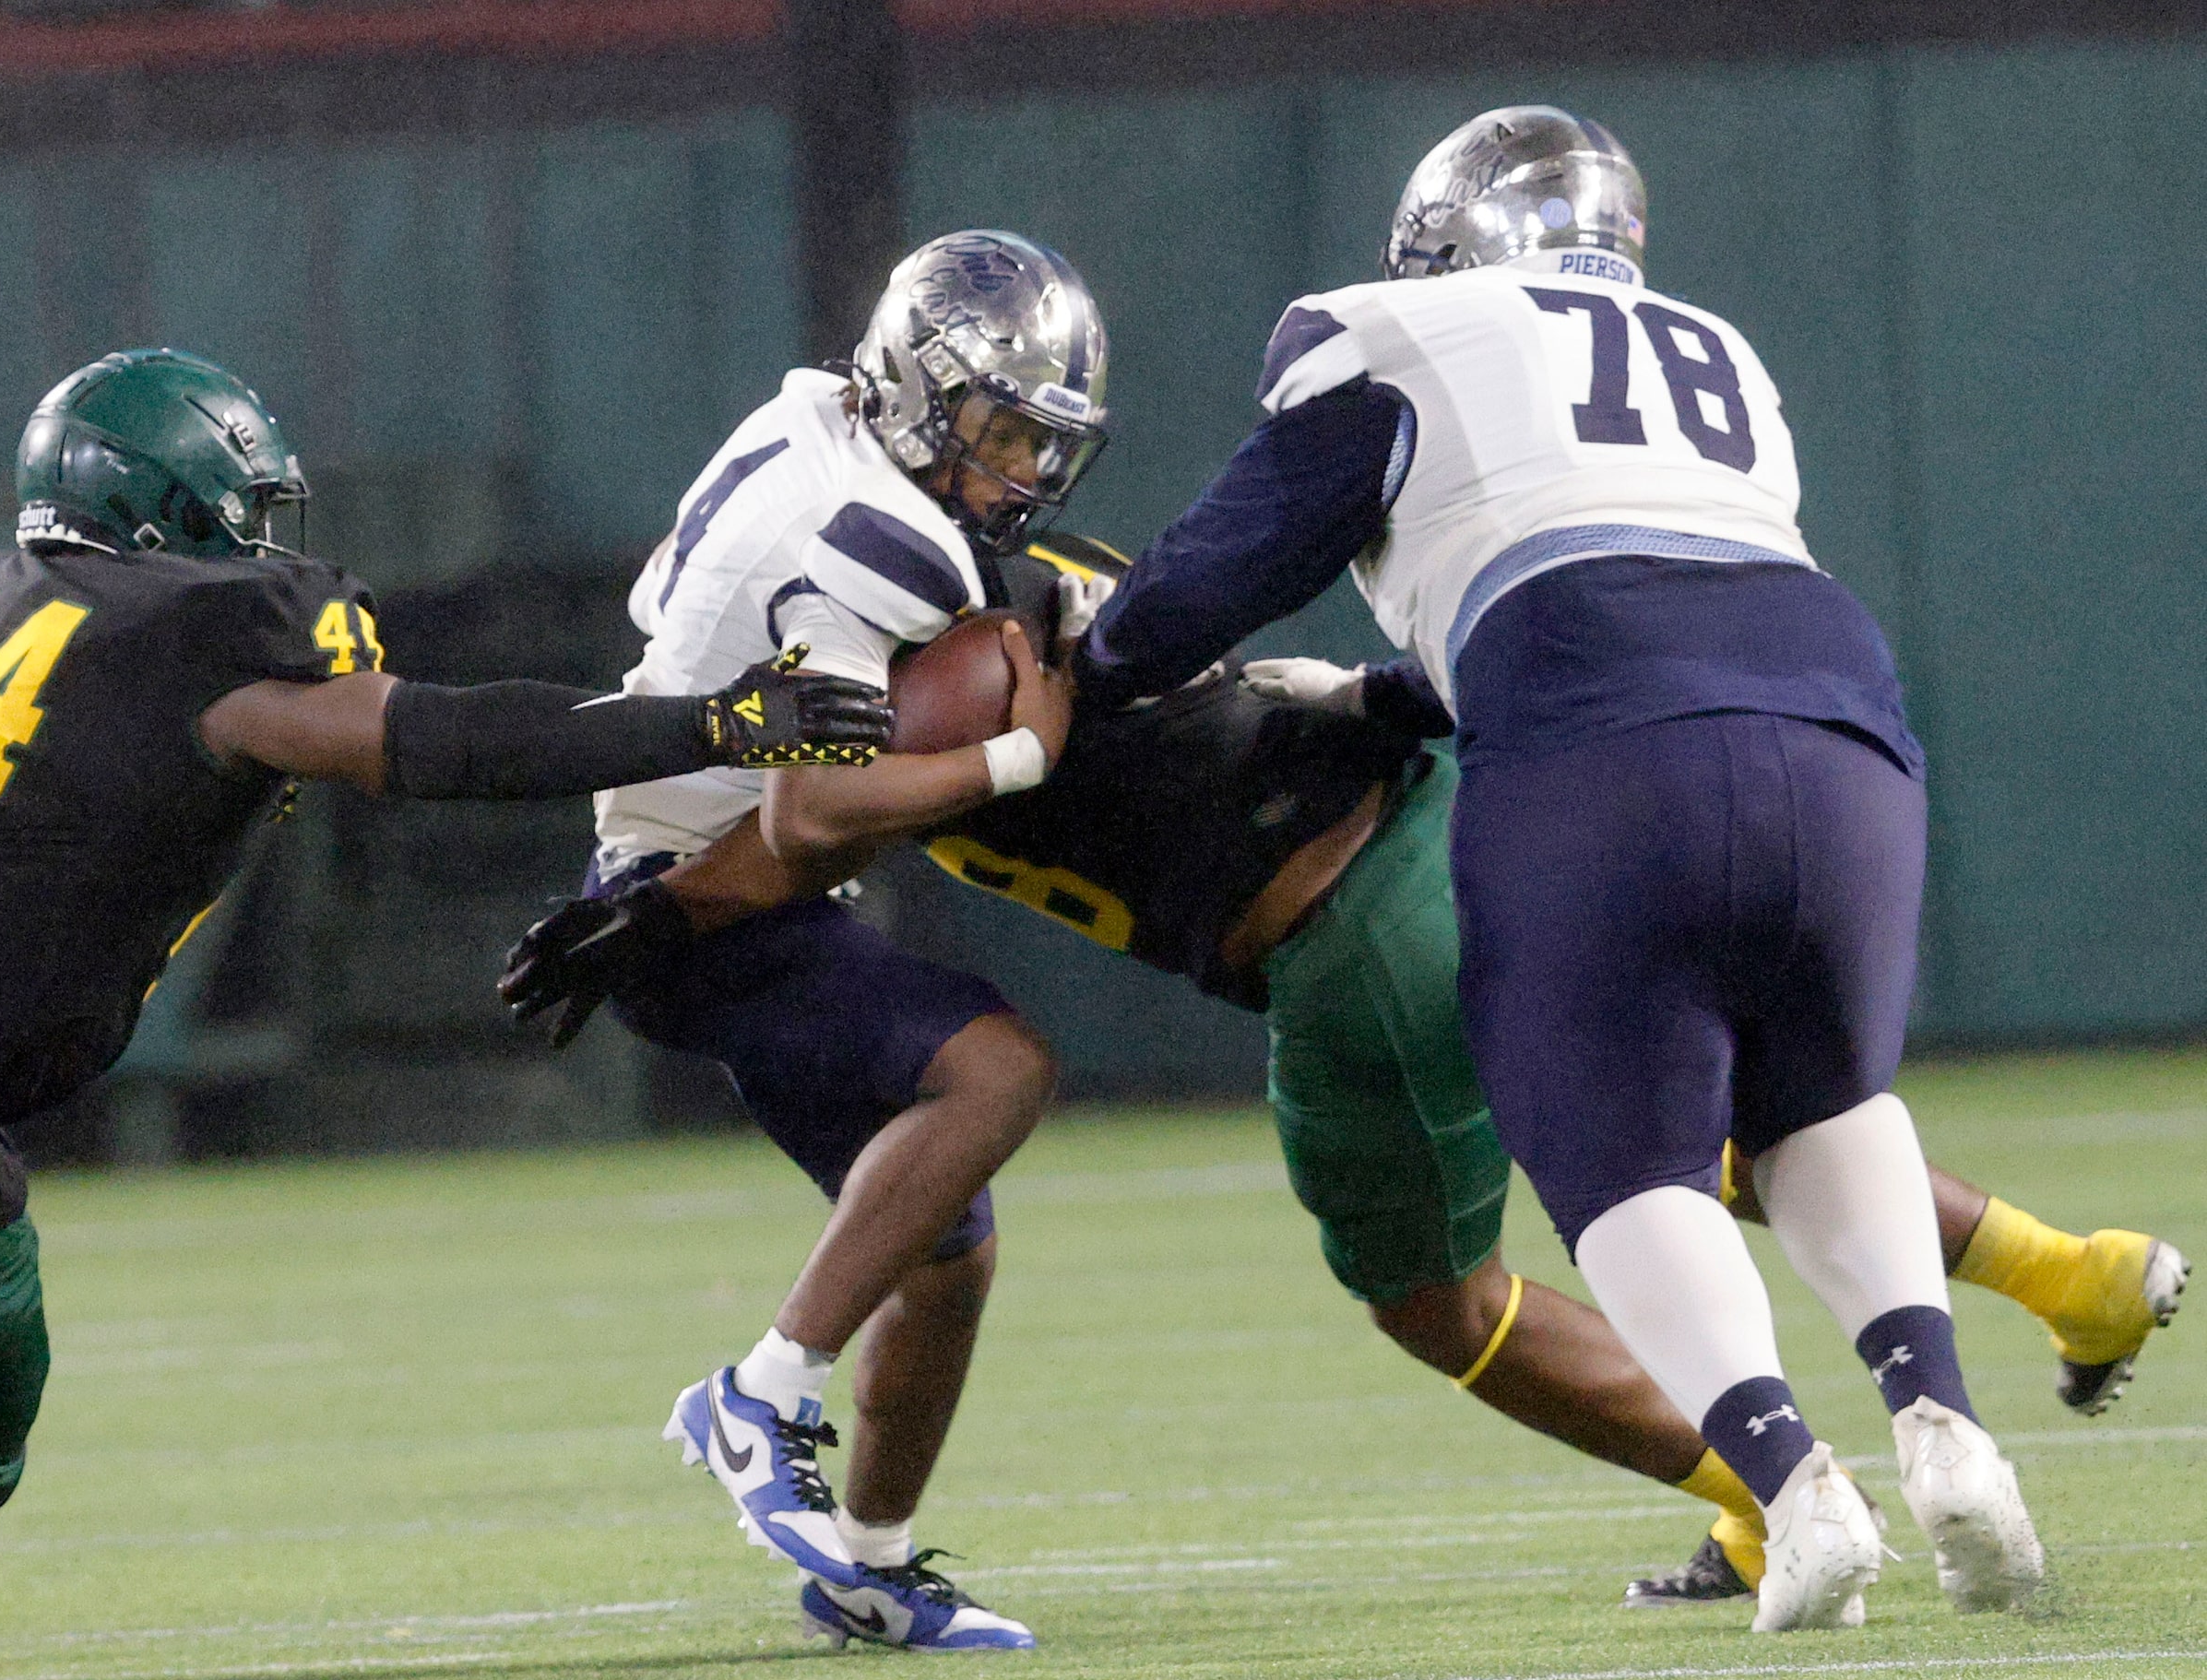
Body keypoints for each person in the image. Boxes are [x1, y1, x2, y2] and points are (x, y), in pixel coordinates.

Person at [515, 534, 2186, 1616]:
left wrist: (651, 907)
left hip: (1345, 933)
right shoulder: (1027, 573)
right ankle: (2068, 1272)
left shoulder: (950, 647)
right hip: (1464, 807)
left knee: (1436, 1294)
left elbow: (820, 817)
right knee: (1710, 1127)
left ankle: (1754, 1490)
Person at [0, 349, 891, 1680]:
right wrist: (711, 721)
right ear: (165, 506)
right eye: (237, 499)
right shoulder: (209, 631)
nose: (259, 530)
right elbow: (442, 740)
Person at [1066, 107, 2050, 1631]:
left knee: (1616, 1155)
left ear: (1446, 241)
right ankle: (1943, 1422)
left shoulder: (1380, 331)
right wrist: (1387, 690)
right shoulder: (1717, 350)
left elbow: (1189, 601)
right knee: (1818, 1103)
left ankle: (1793, 1487)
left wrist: (1104, 661)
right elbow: (1646, 558)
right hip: (1837, 713)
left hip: (1597, 735)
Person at [503, 232, 1109, 1652]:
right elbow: (814, 813)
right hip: (706, 894)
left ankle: (867, 1565)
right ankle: (762, 1393)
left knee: (943, 1249)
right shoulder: (876, 534)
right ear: (913, 388)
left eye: (1039, 439)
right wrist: (1018, 757)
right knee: (997, 1072)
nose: (1019, 469)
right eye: (997, 428)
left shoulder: (807, 413)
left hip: (680, 872)